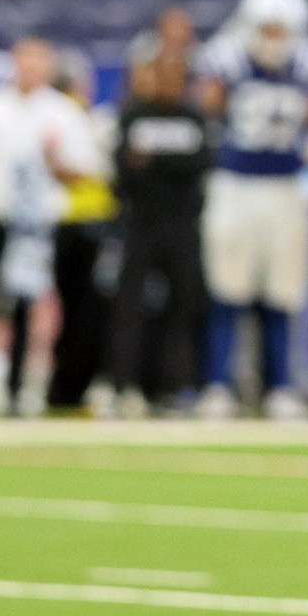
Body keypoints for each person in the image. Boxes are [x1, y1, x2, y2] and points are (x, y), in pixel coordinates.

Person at [197, 0, 308, 420]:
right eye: (268, 29)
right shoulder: (225, 55)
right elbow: (207, 107)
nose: (274, 39)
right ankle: (218, 384)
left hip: (285, 187)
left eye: (281, 29)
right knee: (226, 289)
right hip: (236, 182)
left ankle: (280, 386)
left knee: (283, 293)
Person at [0, 38, 104, 414]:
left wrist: (55, 164)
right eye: (27, 62)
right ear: (14, 64)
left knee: (24, 308)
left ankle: (19, 391)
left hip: (34, 227)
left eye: (40, 63)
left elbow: (86, 170)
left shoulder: (61, 114)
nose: (32, 70)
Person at [108, 41, 211, 414]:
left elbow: (198, 166)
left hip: (182, 226)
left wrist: (152, 164)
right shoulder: (133, 116)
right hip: (141, 224)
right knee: (129, 307)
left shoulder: (193, 117)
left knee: (185, 305)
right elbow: (122, 173)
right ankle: (125, 385)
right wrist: (165, 168)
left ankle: (179, 385)